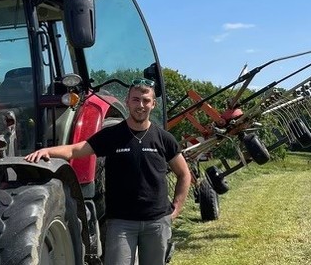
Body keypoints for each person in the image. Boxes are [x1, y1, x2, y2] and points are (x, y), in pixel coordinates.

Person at [24, 78, 191, 265]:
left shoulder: (164, 139)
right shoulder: (112, 135)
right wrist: (48, 151)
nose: (141, 105)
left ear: (153, 104)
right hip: (121, 223)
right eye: (136, 100)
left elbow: (184, 174)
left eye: (146, 101)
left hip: (157, 223)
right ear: (127, 102)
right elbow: (75, 150)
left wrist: (176, 208)